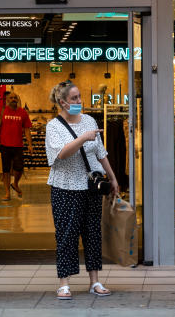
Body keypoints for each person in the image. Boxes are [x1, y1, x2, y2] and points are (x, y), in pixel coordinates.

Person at [45, 80, 120, 300]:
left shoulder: (89, 120)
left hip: (91, 187)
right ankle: (64, 283)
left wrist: (113, 178)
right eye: (74, 98)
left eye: (79, 97)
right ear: (62, 102)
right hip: (65, 186)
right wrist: (82, 138)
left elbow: (101, 152)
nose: (79, 101)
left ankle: (94, 281)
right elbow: (60, 154)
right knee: (67, 235)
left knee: (92, 233)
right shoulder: (54, 126)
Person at [0, 91, 32, 201]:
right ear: (7, 100)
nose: (13, 99)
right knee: (5, 170)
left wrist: (30, 144)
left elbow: (27, 130)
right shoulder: (1, 111)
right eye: (11, 98)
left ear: (18, 100)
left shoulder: (23, 113)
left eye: (15, 97)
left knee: (19, 168)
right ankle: (7, 193)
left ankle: (15, 183)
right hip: (4, 145)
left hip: (18, 145)